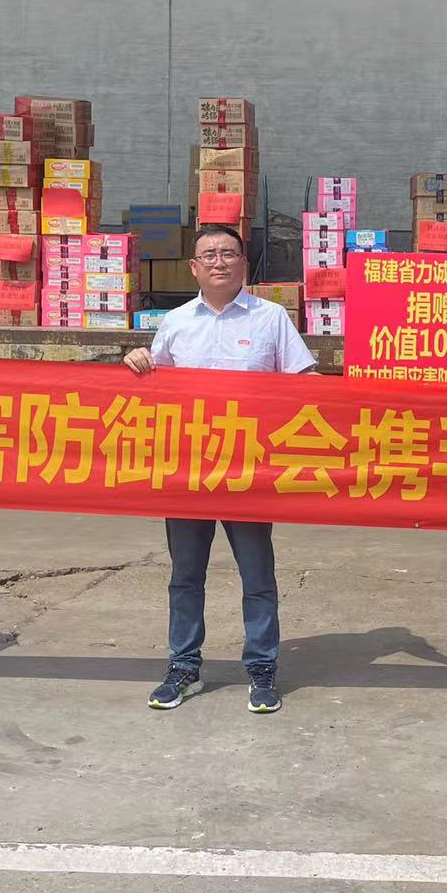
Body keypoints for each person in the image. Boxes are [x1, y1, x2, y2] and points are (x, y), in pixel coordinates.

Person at [123, 224, 317, 716]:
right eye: (208, 254)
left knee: (257, 574)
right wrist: (137, 360)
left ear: (243, 263)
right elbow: (151, 386)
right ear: (193, 267)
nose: (219, 262)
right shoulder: (176, 323)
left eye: (228, 253)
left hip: (248, 470)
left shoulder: (271, 318)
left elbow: (305, 380)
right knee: (186, 575)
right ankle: (183, 666)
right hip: (188, 469)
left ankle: (262, 669)